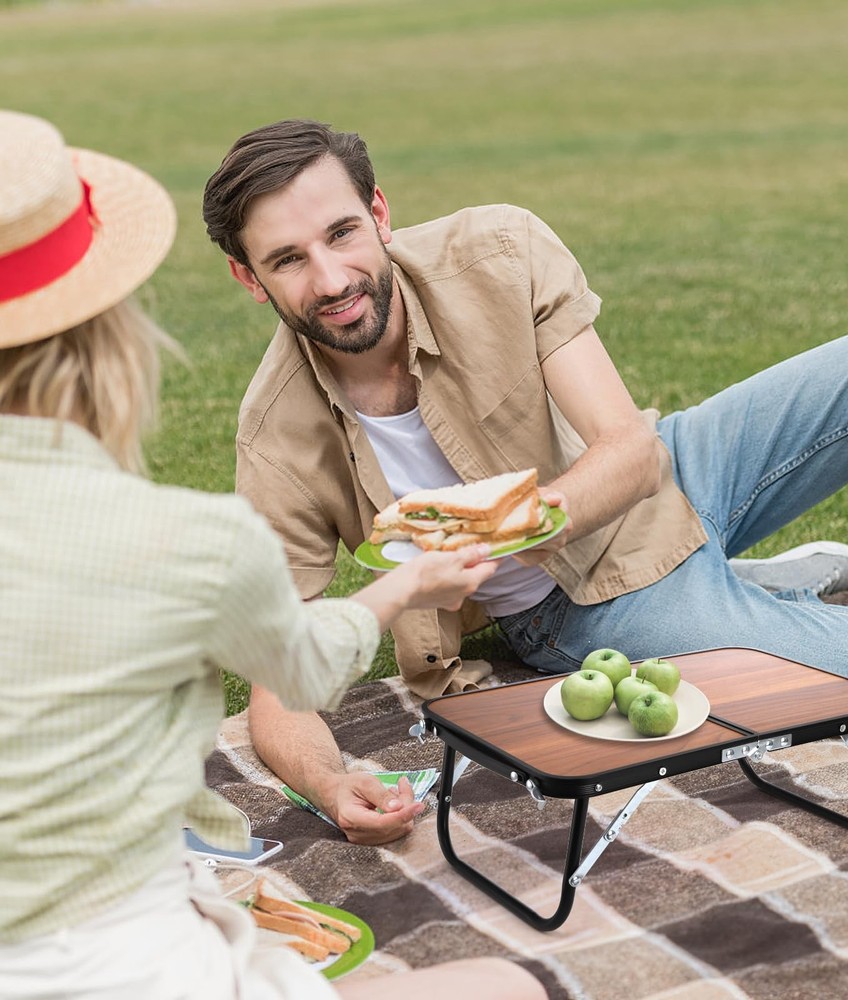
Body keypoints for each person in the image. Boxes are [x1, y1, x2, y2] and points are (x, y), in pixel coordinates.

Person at [201, 118, 848, 844]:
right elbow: (277, 670)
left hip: (666, 469)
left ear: (378, 213)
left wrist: (510, 520)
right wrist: (330, 781)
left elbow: (629, 449)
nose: (333, 278)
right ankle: (746, 600)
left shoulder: (499, 252)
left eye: (342, 233)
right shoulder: (277, 435)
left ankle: (738, 595)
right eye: (290, 260)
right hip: (580, 602)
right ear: (249, 278)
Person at [0, 110, 546, 1000]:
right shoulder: (184, 541)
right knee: (506, 989)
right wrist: (409, 584)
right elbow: (303, 658)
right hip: (134, 970)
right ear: (107, 338)